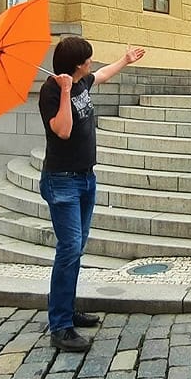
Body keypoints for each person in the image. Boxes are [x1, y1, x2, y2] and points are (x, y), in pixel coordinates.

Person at [38, 36, 145, 353]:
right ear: (75, 65)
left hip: (86, 178)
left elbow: (103, 75)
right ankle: (60, 325)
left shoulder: (83, 82)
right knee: (69, 248)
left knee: (77, 247)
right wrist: (66, 92)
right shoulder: (52, 90)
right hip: (62, 182)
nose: (92, 64)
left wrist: (125, 60)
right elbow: (63, 130)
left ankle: (68, 309)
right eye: (87, 60)